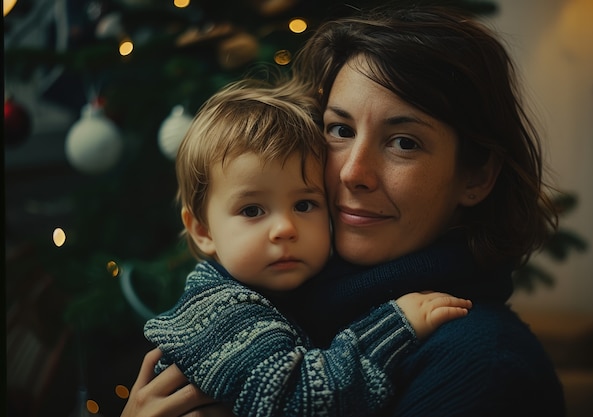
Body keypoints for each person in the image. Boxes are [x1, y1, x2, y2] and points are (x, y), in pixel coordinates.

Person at [122, 4, 566, 416]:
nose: (354, 172)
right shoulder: (280, 302)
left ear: (476, 177)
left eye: (403, 142)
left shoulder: (483, 366)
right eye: (339, 129)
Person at [139, 78, 473, 417]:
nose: (285, 229)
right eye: (252, 211)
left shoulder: (289, 293)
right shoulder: (221, 310)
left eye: (304, 205)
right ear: (202, 230)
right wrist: (394, 326)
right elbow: (300, 401)